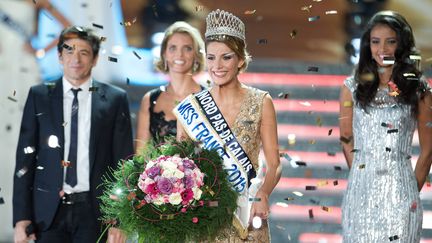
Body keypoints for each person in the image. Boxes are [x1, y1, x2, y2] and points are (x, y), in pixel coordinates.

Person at [12, 26, 134, 243]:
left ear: (95, 59)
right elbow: (25, 160)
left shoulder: (115, 99)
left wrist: (120, 219)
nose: (75, 58)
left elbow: (124, 162)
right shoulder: (39, 95)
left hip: (95, 212)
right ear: (60, 56)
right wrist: (21, 218)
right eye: (69, 51)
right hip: (48, 213)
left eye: (84, 52)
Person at [174, 9, 282, 242]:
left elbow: (275, 165)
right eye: (211, 57)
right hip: (203, 219)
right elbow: (179, 167)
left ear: (241, 59)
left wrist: (263, 193)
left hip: (247, 216)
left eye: (227, 57)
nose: (217, 66)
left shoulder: (261, 102)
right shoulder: (191, 108)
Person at [340, 11, 432, 242]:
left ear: (401, 44)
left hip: (401, 196)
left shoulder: (419, 89)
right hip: (359, 196)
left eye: (391, 41)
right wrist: (362, 174)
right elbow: (346, 137)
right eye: (375, 41)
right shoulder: (351, 88)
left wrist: (410, 190)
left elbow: (429, 150)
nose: (383, 49)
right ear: (367, 45)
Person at [0, 0, 70, 241]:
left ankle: (28, 214)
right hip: (2, 65)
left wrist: (42, 50)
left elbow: (67, 28)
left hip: (23, 67)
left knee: (26, 137)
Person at [135, 21, 205, 150]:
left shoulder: (210, 99)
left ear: (196, 55)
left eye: (187, 48)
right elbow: (140, 156)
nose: (179, 54)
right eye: (173, 48)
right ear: (164, 54)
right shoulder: (150, 99)